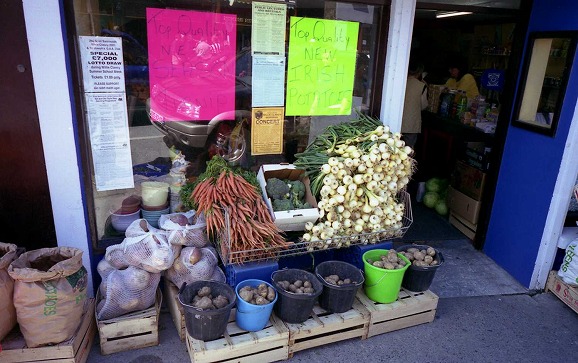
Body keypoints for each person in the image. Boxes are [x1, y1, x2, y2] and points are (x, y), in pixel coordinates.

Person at [401, 60, 429, 150]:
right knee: (408, 150)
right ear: (419, 72)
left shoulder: (400, 82)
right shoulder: (421, 86)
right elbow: (424, 105)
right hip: (411, 124)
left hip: (397, 121)